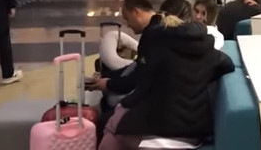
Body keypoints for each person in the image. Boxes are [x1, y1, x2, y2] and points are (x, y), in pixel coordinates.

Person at [97, 11, 235, 150]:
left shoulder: (158, 49)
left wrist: (122, 104)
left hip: (157, 134)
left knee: (113, 127)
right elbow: (228, 65)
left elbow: (142, 89)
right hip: (194, 135)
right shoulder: (208, 51)